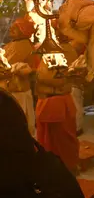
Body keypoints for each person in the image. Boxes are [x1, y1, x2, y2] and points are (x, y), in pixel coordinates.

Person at [35, 34, 81, 174]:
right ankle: (54, 168)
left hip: (57, 103)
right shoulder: (48, 56)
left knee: (62, 139)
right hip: (48, 102)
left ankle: (65, 168)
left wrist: (35, 76)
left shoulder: (59, 57)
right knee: (46, 138)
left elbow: (54, 79)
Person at [0, 17, 38, 135]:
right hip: (11, 89)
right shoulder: (13, 44)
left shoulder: (24, 45)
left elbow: (7, 66)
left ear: (23, 30)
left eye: (15, 27)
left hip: (18, 90)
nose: (11, 28)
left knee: (19, 121)